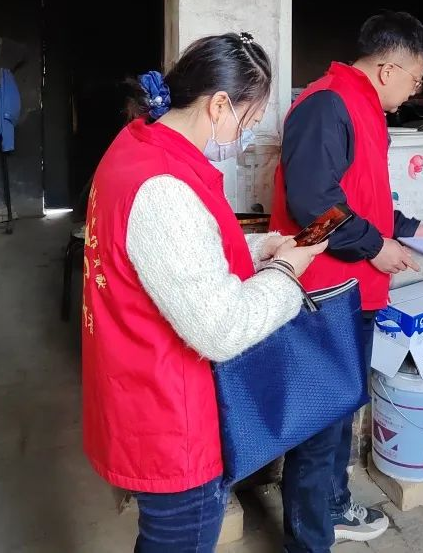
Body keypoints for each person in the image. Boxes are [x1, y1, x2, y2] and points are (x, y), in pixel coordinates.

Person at [81, 33, 327, 553]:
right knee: (181, 537)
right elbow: (220, 328)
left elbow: (168, 255)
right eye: (247, 120)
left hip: (134, 382)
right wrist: (287, 272)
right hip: (170, 414)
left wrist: (258, 248)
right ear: (218, 105)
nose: (246, 135)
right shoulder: (164, 188)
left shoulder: (136, 147)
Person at [270, 11, 423, 551]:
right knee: (320, 426)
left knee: (341, 410)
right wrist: (377, 246)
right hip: (323, 293)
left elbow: (359, 195)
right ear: (389, 69)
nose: (415, 92)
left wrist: (409, 228)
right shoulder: (327, 104)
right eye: (416, 79)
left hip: (354, 292)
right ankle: (308, 540)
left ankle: (332, 506)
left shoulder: (363, 106)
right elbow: (314, 206)